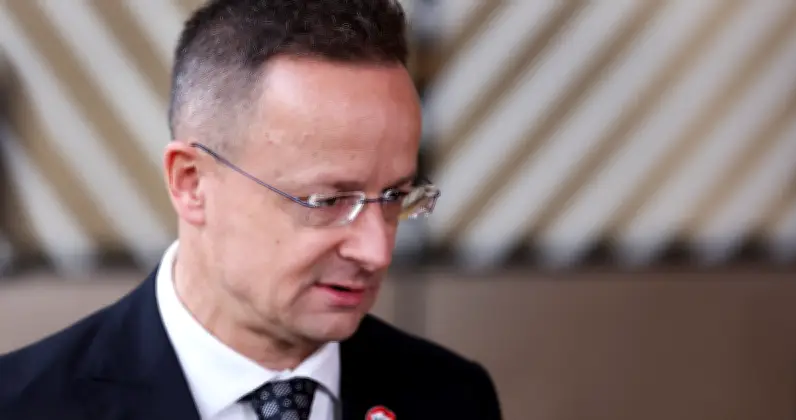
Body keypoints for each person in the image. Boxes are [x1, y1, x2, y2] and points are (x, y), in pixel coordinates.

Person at [0, 1, 503, 419]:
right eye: (327, 201)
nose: (376, 251)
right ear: (191, 182)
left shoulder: (452, 398)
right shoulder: (24, 405)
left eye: (394, 197)